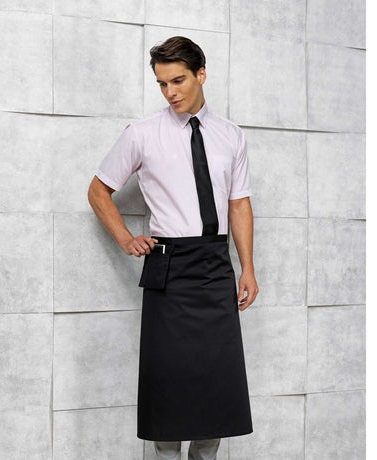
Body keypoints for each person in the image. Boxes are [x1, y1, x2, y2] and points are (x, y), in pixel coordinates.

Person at [88, 36, 259, 460]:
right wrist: (126, 238)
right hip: (168, 266)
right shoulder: (142, 134)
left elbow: (239, 204)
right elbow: (98, 190)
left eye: (178, 80)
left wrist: (248, 268)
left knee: (216, 384)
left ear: (202, 74)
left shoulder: (231, 136)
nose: (170, 92)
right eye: (162, 84)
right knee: (168, 385)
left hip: (215, 265)